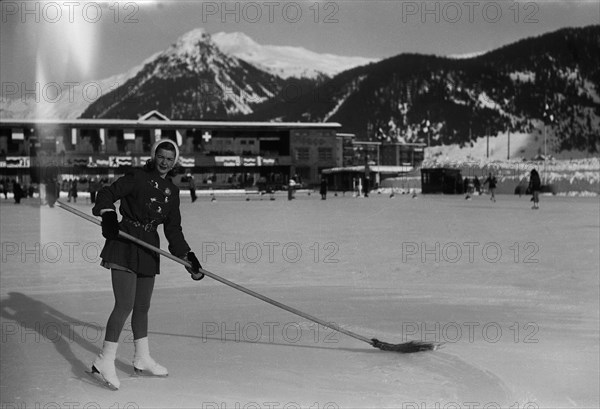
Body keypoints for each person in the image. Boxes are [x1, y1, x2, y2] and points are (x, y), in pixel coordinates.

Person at [90, 139, 204, 390]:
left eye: (169, 158)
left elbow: (173, 230)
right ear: (154, 156)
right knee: (125, 304)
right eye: (161, 156)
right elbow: (107, 194)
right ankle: (104, 361)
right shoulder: (138, 177)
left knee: (142, 306)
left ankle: (142, 357)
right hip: (125, 242)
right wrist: (108, 213)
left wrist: (188, 257)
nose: (164, 162)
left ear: (175, 162)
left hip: (149, 247)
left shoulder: (172, 192)